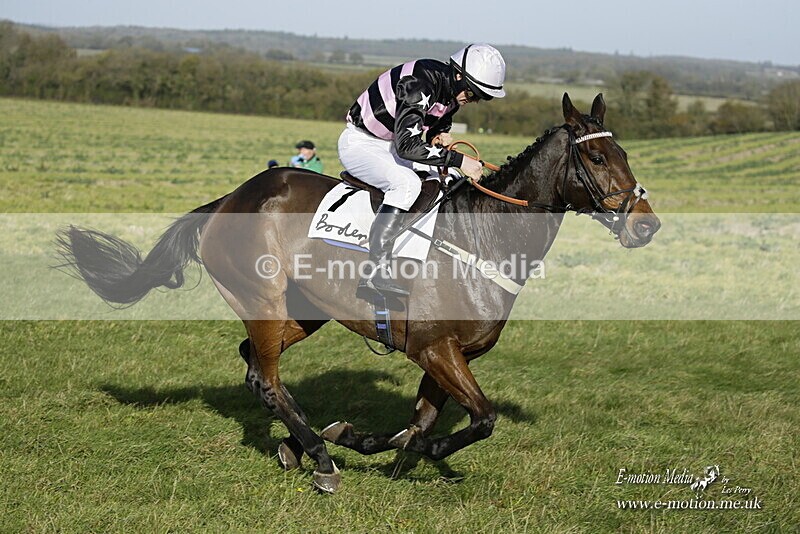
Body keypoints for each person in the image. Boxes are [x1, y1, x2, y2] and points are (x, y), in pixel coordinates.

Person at [337, 43, 506, 302]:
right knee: (406, 185)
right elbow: (407, 146)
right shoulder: (420, 84)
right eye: (472, 94)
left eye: (478, 98)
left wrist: (439, 136)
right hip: (362, 144)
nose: (471, 101)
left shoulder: (450, 91)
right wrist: (459, 159)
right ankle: (374, 271)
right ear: (459, 75)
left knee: (452, 179)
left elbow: (431, 130)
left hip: (390, 147)